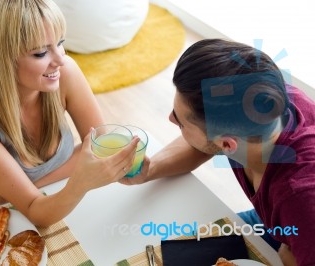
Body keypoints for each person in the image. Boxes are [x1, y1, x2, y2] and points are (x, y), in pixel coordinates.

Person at [0, 0, 139, 226]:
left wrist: (22, 189)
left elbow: (99, 149)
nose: (60, 59)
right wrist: (78, 182)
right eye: (41, 53)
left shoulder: (65, 72)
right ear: (0, 58)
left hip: (11, 214)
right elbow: (37, 212)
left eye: (60, 42)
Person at [121, 39, 315, 265]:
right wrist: (151, 169)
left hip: (297, 233)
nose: (170, 119)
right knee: (168, 251)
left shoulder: (300, 197)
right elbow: (205, 143)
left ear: (227, 145)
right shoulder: (260, 99)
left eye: (182, 122)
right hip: (277, 226)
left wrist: (288, 259)